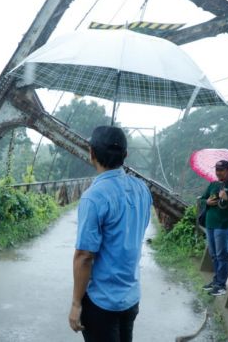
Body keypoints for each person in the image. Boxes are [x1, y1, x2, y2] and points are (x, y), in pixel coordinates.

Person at [68, 126, 152, 342]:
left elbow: (85, 256)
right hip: (131, 296)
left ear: (91, 153)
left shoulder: (94, 197)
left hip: (101, 302)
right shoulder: (142, 189)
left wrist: (76, 304)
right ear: (125, 155)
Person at [200, 160, 228, 296]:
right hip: (210, 224)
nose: (218, 172)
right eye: (217, 170)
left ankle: (221, 285)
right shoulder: (213, 185)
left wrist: (227, 198)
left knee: (221, 255)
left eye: (222, 170)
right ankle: (216, 280)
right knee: (214, 255)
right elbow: (202, 199)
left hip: (223, 225)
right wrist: (206, 202)